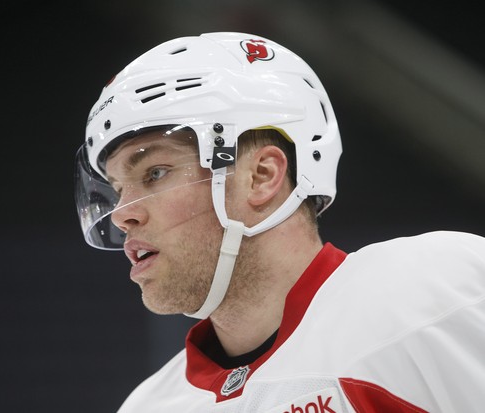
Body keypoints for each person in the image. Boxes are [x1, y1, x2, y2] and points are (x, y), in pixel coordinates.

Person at [74, 32, 485, 412]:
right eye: (116, 188)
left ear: (262, 176)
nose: (123, 212)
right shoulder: (150, 406)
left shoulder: (434, 294)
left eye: (155, 172)